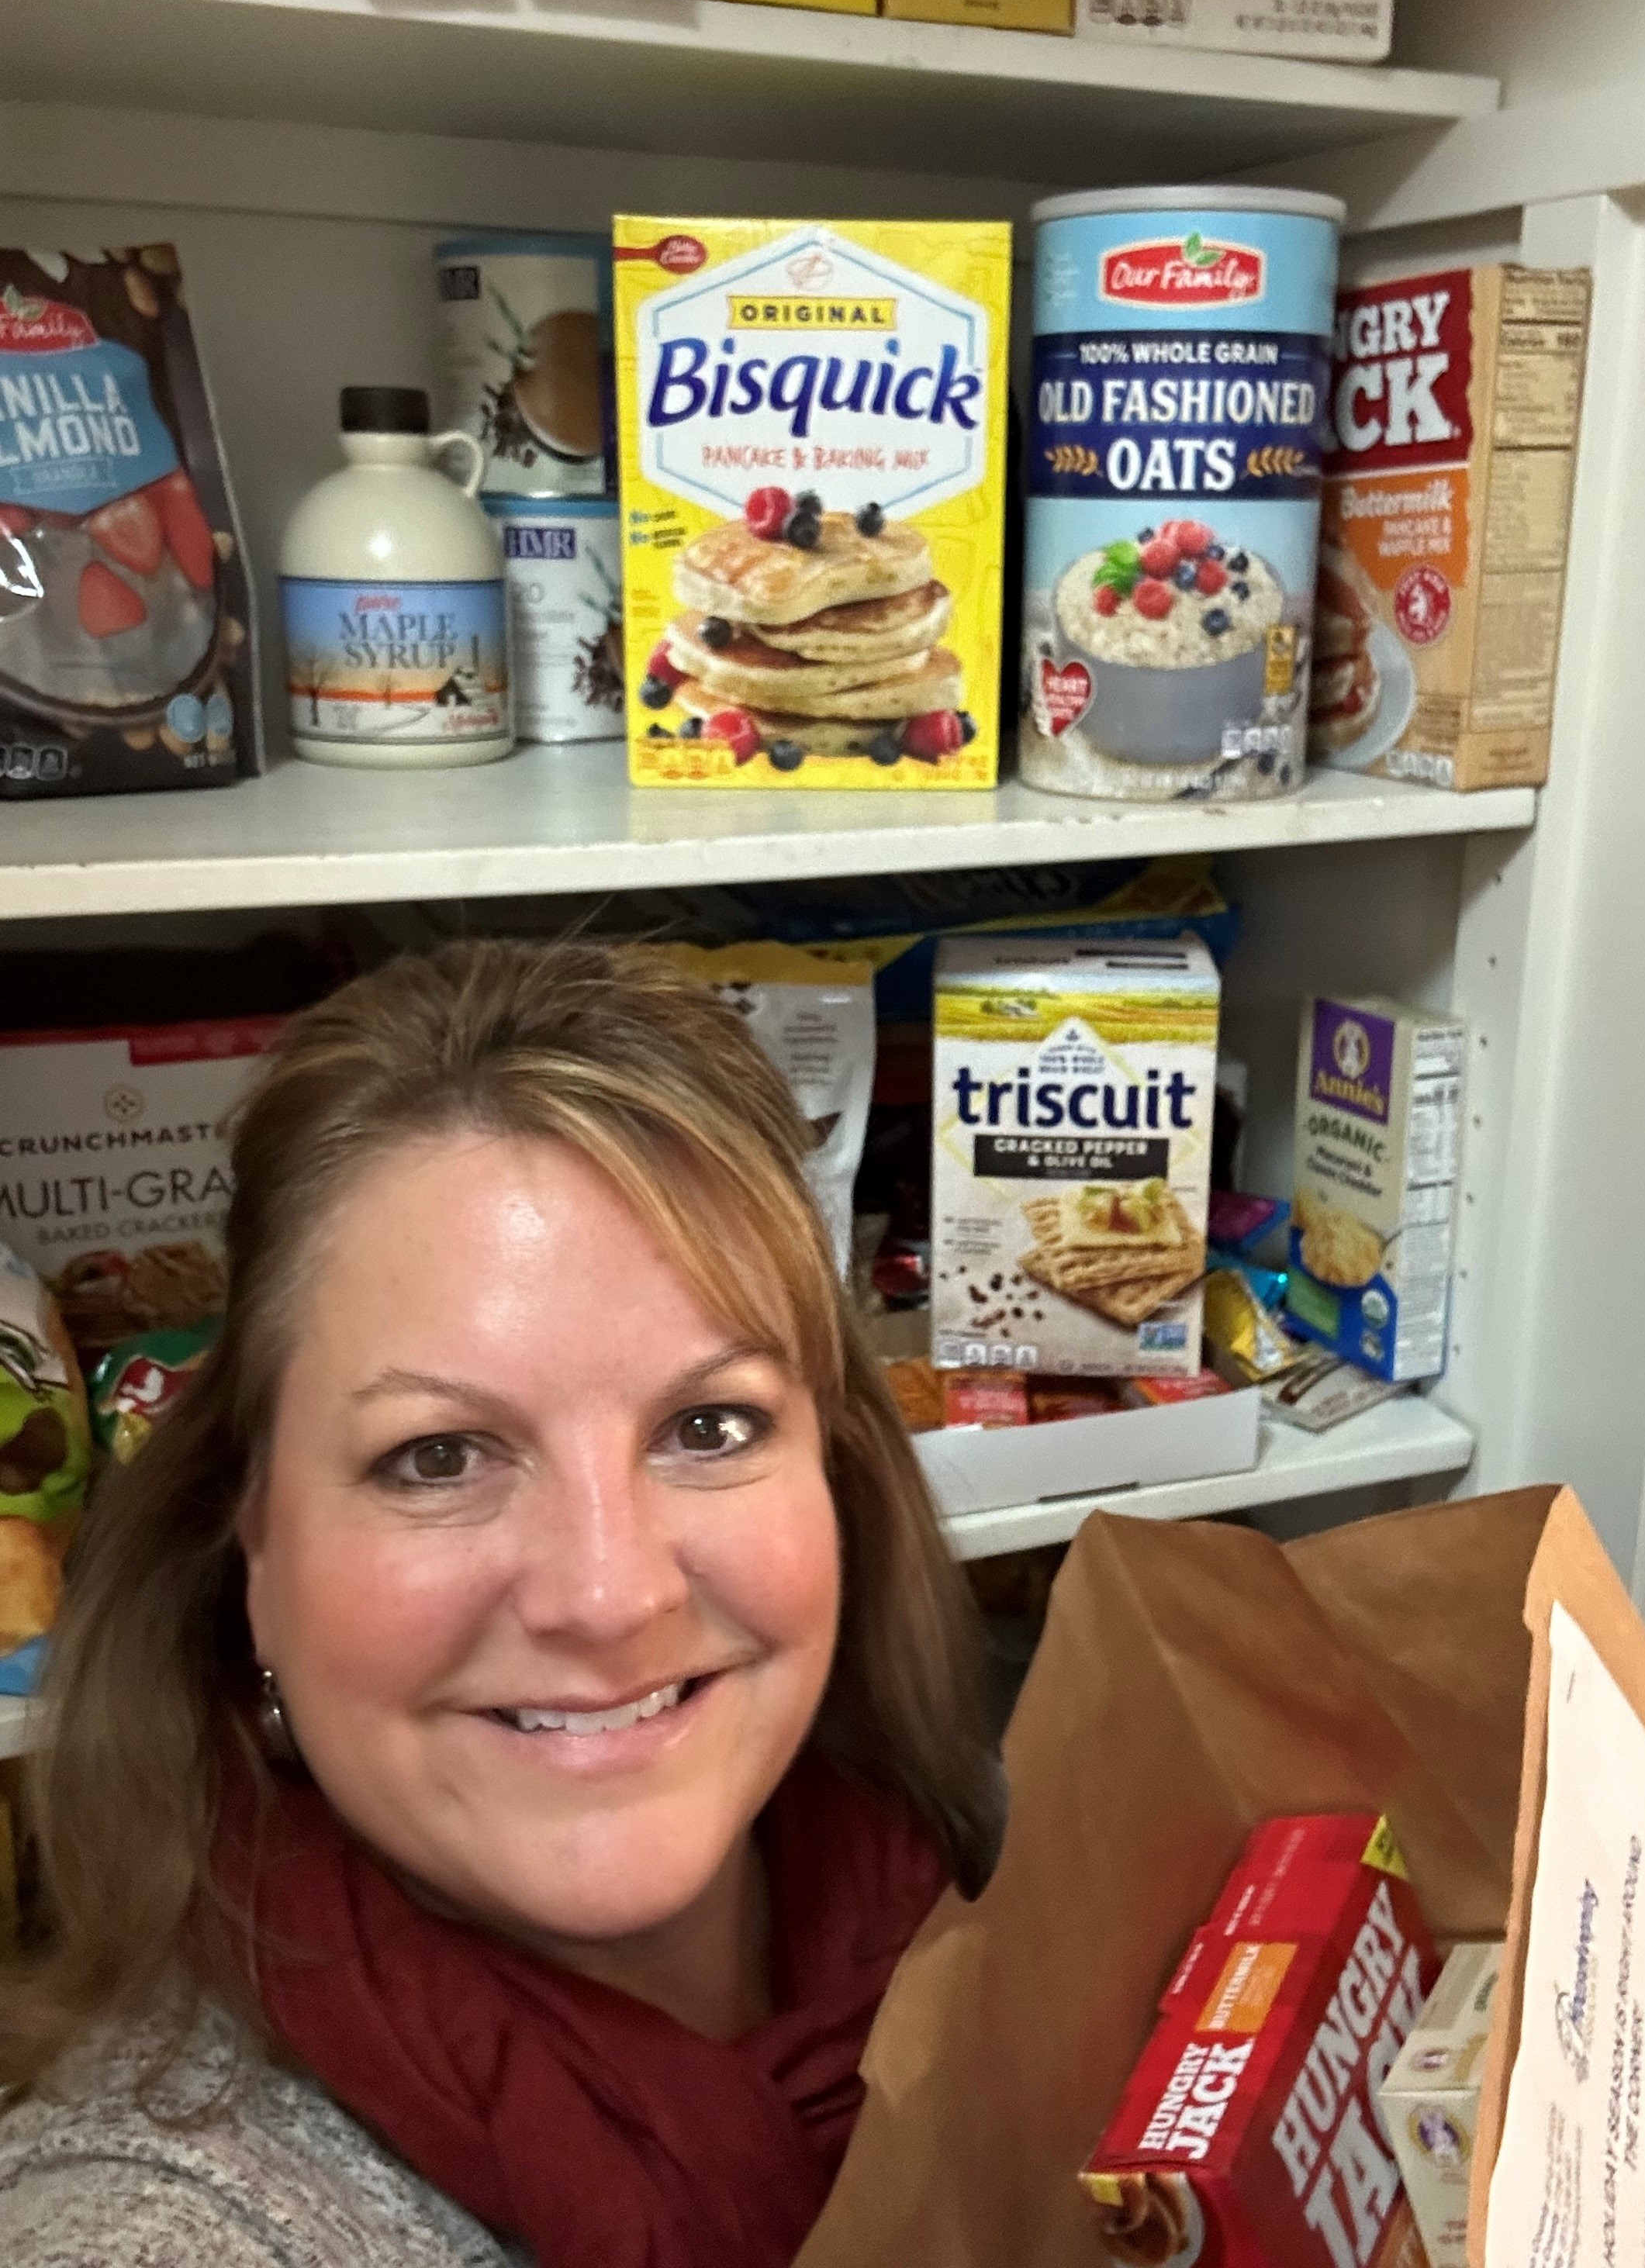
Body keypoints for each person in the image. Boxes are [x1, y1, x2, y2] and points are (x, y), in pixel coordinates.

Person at [0, 940, 1002, 2268]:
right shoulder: (157, 2219)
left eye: (708, 1425)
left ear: (839, 1478)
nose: (609, 1594)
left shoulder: (989, 1882)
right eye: (438, 1456)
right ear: (251, 1547)